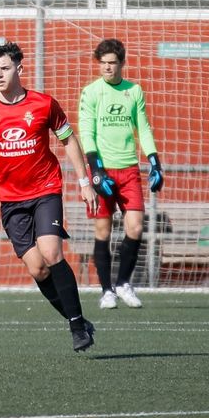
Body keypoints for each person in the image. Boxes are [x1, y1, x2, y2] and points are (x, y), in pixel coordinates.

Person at [0, 42, 100, 351]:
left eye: (5, 68)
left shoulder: (44, 104)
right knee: (37, 268)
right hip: (11, 200)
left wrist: (84, 182)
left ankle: (77, 327)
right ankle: (77, 319)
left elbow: (69, 141)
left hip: (46, 190)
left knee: (51, 252)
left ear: (19, 69)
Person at [78, 39, 162, 310]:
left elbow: (143, 128)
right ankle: (107, 291)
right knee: (103, 230)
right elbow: (86, 132)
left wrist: (154, 161)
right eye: (103, 63)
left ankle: (124, 283)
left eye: (112, 63)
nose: (107, 68)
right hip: (102, 170)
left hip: (128, 170)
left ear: (122, 63)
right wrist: (96, 170)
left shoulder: (134, 91)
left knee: (135, 227)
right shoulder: (91, 92)